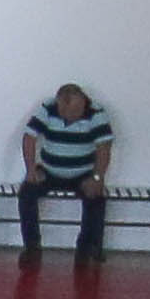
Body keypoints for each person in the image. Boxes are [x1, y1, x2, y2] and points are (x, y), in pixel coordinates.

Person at [16, 82, 115, 260]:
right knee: (26, 193)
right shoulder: (48, 108)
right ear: (58, 103)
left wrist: (97, 177)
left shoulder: (96, 113)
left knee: (96, 198)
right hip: (49, 171)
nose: (70, 116)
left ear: (83, 103)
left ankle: (88, 247)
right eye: (64, 112)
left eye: (75, 111)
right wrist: (30, 170)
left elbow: (104, 147)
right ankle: (32, 246)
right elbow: (29, 137)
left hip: (83, 173)